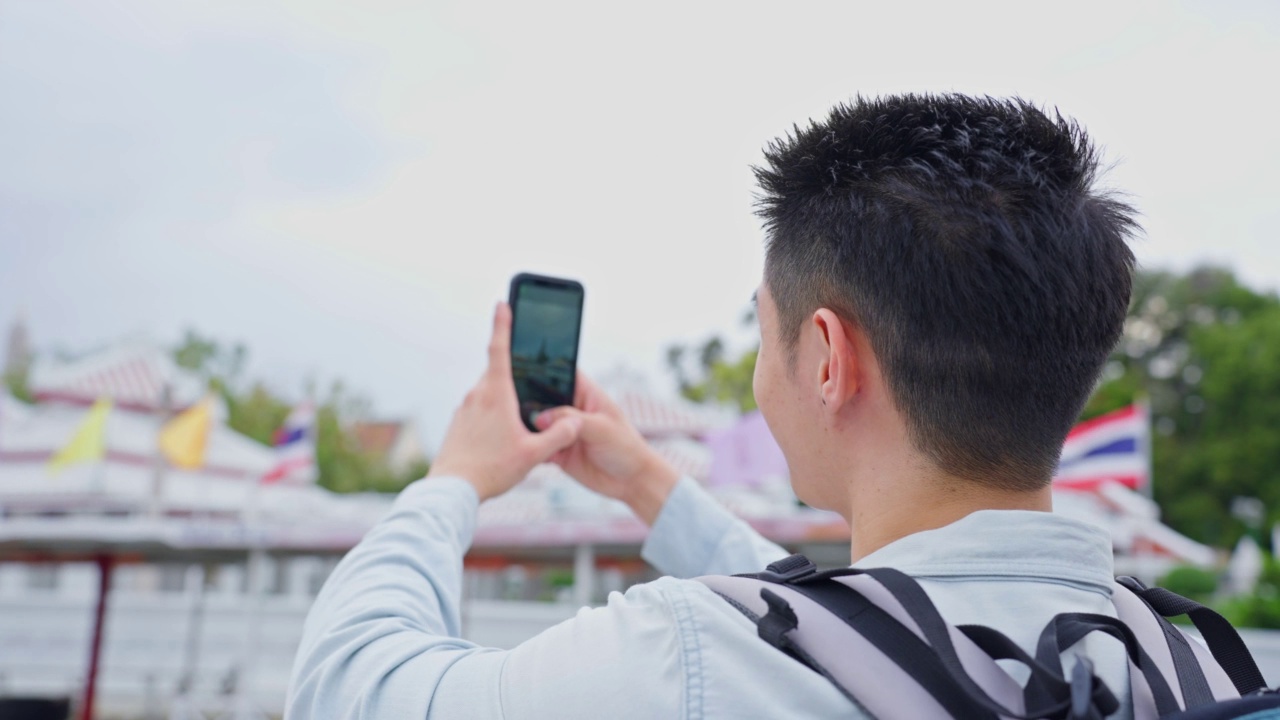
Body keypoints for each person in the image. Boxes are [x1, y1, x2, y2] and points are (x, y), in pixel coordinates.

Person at [287, 94, 1138, 719]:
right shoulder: (1174, 658)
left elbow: (348, 685)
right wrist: (652, 488)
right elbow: (850, 620)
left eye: (768, 335)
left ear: (830, 362)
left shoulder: (683, 662)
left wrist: (453, 482)